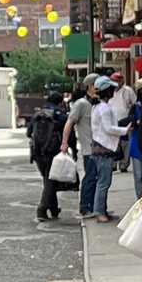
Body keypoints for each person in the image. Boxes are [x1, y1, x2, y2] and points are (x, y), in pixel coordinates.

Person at [86, 75, 126, 222]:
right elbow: (108, 128)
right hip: (104, 150)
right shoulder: (103, 108)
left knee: (102, 182)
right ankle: (99, 212)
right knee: (104, 183)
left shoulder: (98, 106)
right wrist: (124, 130)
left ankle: (102, 210)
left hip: (99, 149)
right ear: (107, 91)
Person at [60, 74, 99, 217]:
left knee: (97, 179)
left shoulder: (97, 103)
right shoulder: (81, 104)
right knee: (90, 177)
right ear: (89, 86)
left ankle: (96, 206)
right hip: (89, 148)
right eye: (97, 84)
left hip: (100, 148)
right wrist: (64, 143)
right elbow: (69, 123)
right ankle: (85, 207)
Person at [28, 92, 67, 221]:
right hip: (52, 151)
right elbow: (68, 132)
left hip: (38, 152)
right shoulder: (60, 115)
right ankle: (42, 209)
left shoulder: (38, 114)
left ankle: (54, 208)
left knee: (48, 179)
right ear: (60, 102)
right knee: (50, 180)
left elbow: (29, 132)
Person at [112, 72, 136, 171]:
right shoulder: (110, 91)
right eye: (114, 81)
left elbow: (134, 104)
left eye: (118, 80)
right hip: (113, 121)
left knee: (125, 143)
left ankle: (123, 164)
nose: (117, 83)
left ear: (122, 80)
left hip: (125, 121)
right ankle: (113, 164)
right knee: (113, 143)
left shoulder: (128, 91)